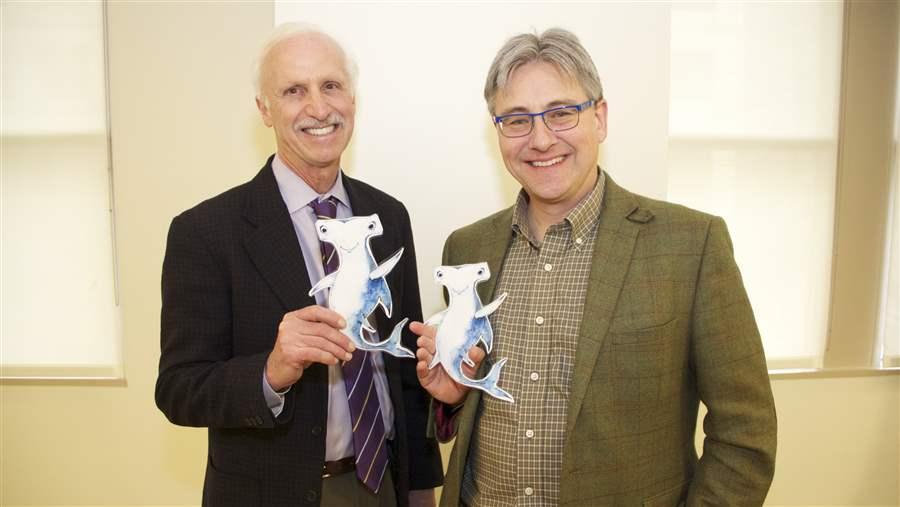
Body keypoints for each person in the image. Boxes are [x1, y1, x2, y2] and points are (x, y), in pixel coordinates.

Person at [412, 28, 777, 506]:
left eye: (562, 113)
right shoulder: (467, 250)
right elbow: (469, 405)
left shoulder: (691, 245)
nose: (541, 139)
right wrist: (454, 398)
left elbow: (745, 434)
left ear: (599, 119)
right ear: (497, 131)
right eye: (517, 120)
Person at [155, 24, 442, 507]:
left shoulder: (388, 217)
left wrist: (419, 492)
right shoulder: (205, 232)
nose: (318, 107)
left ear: (352, 98)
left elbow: (407, 372)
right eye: (294, 90)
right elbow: (179, 389)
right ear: (264, 109)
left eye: (331, 86)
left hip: (382, 485)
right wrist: (270, 370)